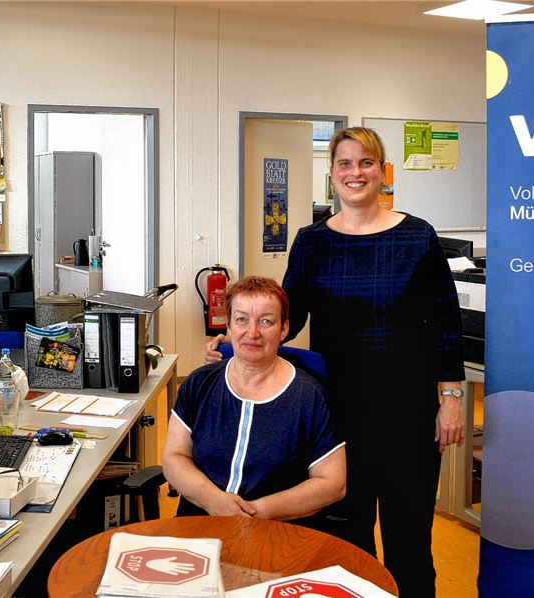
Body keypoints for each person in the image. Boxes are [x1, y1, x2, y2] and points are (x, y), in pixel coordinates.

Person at [206, 127, 465, 597]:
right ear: (331, 173)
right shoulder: (311, 241)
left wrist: (451, 397)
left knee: (409, 543)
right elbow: (287, 316)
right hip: (337, 415)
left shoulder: (417, 237)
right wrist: (234, 343)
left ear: (382, 172)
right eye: (344, 164)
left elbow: (445, 321)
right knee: (347, 539)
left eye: (366, 163)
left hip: (409, 414)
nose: (355, 173)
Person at [165, 276, 345, 526]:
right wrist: (213, 500)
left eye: (266, 321)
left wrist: (256, 512)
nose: (252, 332)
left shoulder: (310, 396)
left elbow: (332, 484)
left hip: (277, 531)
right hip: (199, 525)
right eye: (241, 319)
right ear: (228, 326)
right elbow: (174, 457)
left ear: (284, 329)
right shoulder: (200, 383)